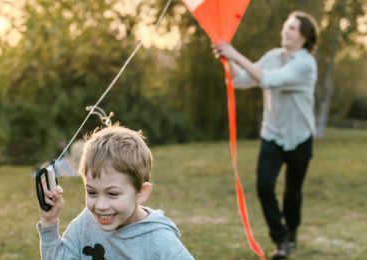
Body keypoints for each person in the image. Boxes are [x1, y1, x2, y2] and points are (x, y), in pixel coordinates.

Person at [214, 11, 319, 259]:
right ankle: (281, 239)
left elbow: (268, 81)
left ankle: (291, 233)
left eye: (292, 28)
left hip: (300, 138)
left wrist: (233, 53)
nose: (285, 30)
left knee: (293, 192)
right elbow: (241, 81)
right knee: (264, 185)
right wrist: (226, 60)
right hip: (272, 135)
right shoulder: (273, 56)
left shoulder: (305, 64)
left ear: (304, 36)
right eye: (286, 25)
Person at [36, 124, 194, 260]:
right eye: (92, 192)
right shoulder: (86, 223)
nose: (101, 205)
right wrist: (49, 221)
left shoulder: (160, 241)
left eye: (112, 194)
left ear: (141, 192)